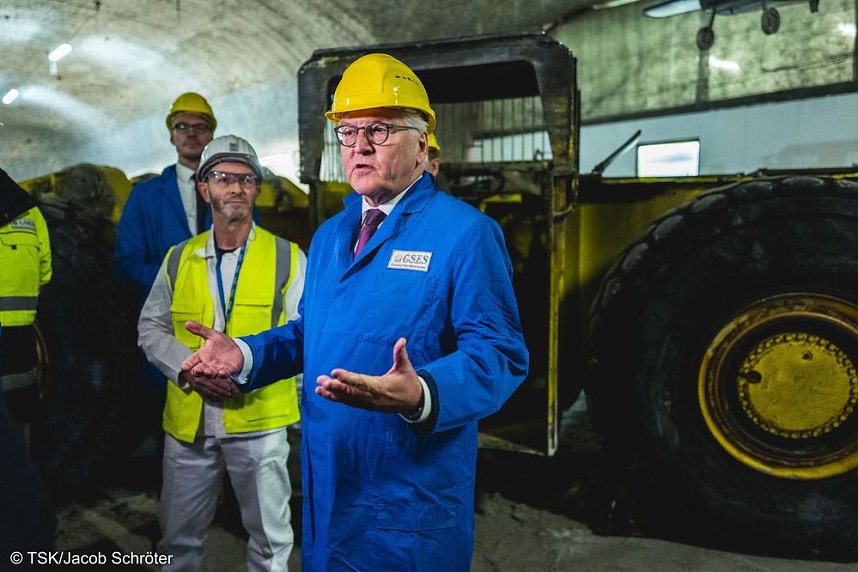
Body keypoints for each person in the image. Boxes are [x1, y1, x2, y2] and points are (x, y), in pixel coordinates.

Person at [180, 53, 529, 571]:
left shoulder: (465, 233)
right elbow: (311, 333)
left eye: (380, 130)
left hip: (407, 502)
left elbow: (499, 355)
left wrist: (424, 392)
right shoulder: (330, 237)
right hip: (329, 487)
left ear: (421, 142)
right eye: (348, 131)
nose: (360, 145)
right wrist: (247, 354)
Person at [137, 135, 304, 571]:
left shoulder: (287, 257)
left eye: (246, 178)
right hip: (190, 423)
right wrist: (188, 370)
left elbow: (305, 336)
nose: (235, 187)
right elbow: (150, 327)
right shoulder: (178, 259)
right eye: (223, 177)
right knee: (177, 543)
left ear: (257, 189)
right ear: (204, 188)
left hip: (260, 423)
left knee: (271, 545)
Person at [115, 92, 217, 297]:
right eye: (182, 126)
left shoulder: (234, 190)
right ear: (172, 136)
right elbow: (128, 260)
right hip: (166, 311)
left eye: (200, 127)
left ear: (211, 135)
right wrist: (173, 284)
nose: (191, 133)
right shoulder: (145, 196)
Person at [0, 167, 52, 450]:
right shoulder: (29, 214)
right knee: (18, 429)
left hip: (16, 348)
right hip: (18, 345)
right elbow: (45, 274)